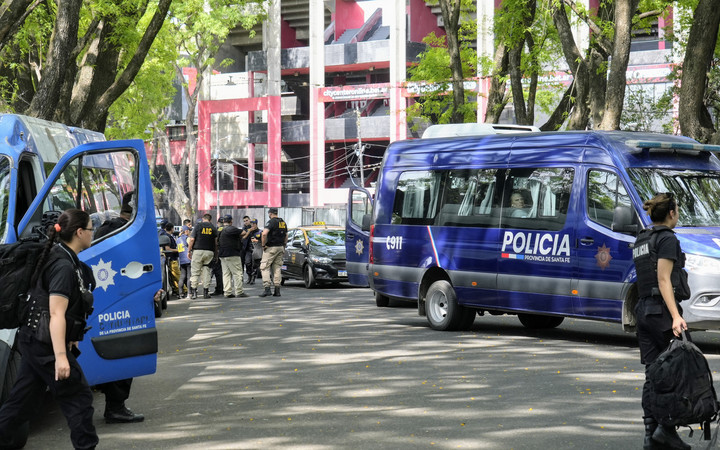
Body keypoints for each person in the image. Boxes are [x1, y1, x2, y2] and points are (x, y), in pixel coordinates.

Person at [0, 209, 98, 449]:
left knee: (22, 402)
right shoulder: (63, 266)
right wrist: (61, 357)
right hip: (44, 344)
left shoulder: (62, 258)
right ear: (79, 232)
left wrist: (71, 339)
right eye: (91, 229)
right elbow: (55, 313)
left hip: (35, 339)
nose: (93, 234)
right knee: (79, 399)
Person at [633, 192, 691, 450]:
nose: (677, 215)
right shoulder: (667, 239)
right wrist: (676, 316)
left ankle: (650, 434)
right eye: (677, 210)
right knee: (677, 370)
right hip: (661, 313)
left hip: (643, 311)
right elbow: (664, 279)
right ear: (671, 213)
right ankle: (666, 429)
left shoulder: (642, 239)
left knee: (653, 374)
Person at [93, 194, 145, 425]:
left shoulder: (105, 229)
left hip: (103, 301)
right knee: (125, 350)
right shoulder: (127, 232)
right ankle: (116, 407)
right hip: (125, 300)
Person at [218, 215, 249, 298]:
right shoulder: (231, 228)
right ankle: (239, 291)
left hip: (222, 254)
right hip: (232, 254)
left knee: (226, 274)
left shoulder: (221, 229)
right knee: (237, 273)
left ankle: (227, 292)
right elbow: (244, 233)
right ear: (231, 221)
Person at [188, 213, 218, 299]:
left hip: (198, 251)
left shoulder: (198, 226)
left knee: (195, 272)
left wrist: (189, 250)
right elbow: (216, 243)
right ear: (210, 220)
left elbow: (192, 239)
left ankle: (194, 293)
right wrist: (216, 255)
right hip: (209, 252)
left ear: (203, 219)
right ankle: (206, 292)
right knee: (206, 271)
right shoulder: (213, 228)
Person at [259, 208, 287, 297]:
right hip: (280, 247)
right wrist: (284, 246)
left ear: (270, 214)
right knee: (277, 268)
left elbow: (264, 234)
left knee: (264, 267)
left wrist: (263, 245)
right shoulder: (283, 222)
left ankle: (267, 289)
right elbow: (286, 235)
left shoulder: (271, 222)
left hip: (271, 248)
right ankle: (277, 290)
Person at [160, 222, 180, 298]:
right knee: (177, 275)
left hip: (172, 258)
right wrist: (177, 250)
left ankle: (177, 290)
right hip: (171, 258)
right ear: (172, 228)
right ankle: (182, 290)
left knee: (174, 276)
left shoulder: (168, 236)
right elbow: (168, 249)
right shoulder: (166, 237)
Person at [211, 217, 225, 296]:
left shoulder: (216, 230)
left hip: (218, 251)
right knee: (225, 272)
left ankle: (219, 289)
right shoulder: (228, 229)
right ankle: (224, 288)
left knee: (218, 272)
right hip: (226, 252)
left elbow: (215, 242)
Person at [177, 225, 191, 298]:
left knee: (182, 276)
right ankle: (189, 293)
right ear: (186, 231)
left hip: (181, 260)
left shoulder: (178, 239)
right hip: (188, 259)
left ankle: (180, 293)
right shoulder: (187, 238)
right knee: (189, 277)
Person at [240, 216, 255, 281]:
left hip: (249, 248)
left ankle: (250, 275)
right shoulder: (243, 229)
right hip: (243, 248)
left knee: (248, 262)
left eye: (246, 220)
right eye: (244, 221)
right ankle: (241, 278)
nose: (245, 222)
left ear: (249, 220)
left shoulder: (253, 228)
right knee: (241, 263)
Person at [249, 219, 263, 284]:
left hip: (258, 249)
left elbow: (263, 240)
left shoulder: (260, 232)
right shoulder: (249, 232)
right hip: (250, 250)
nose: (252, 225)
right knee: (251, 264)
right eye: (251, 224)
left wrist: (257, 241)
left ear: (256, 224)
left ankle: (254, 278)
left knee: (258, 264)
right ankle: (252, 278)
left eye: (253, 224)